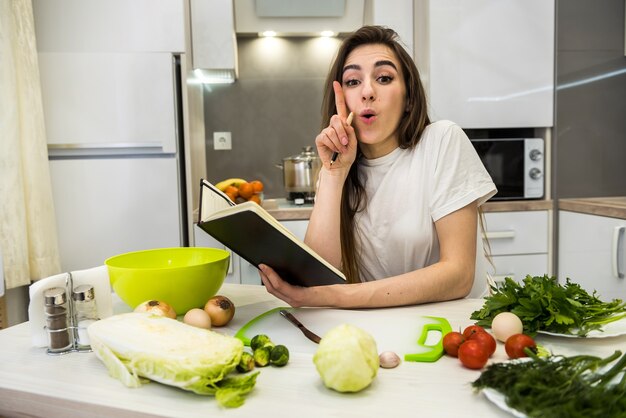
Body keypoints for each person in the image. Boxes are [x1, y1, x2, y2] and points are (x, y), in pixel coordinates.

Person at [259, 25, 496, 308]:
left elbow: (459, 275)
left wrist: (339, 296)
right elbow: (317, 280)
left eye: (384, 78)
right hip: (385, 327)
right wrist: (334, 175)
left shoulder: (442, 140)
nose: (368, 92)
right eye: (352, 82)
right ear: (342, 102)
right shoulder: (337, 169)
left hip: (458, 328)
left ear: (408, 99)